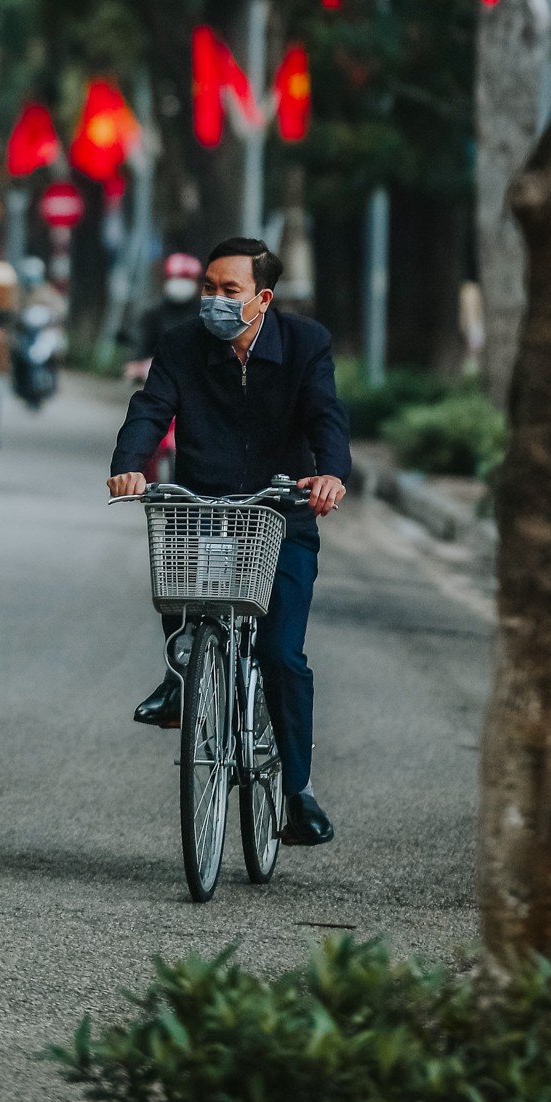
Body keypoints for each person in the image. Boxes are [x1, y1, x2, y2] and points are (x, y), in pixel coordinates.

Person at [107, 236, 350, 847]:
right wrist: (131, 463)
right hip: (205, 506)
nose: (214, 300)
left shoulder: (306, 344)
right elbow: (149, 408)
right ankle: (180, 675)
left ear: (262, 298)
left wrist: (330, 475)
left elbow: (326, 414)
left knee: (281, 654)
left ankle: (297, 794)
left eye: (230, 291)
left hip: (280, 514)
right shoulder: (181, 345)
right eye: (208, 288)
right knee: (179, 574)